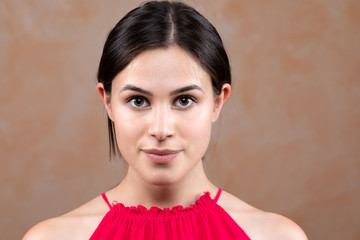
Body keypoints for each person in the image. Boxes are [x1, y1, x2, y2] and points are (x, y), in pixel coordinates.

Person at [23, 1, 308, 239]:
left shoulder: (277, 236)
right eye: (138, 101)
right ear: (107, 101)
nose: (161, 130)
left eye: (184, 100)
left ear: (218, 101)